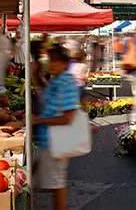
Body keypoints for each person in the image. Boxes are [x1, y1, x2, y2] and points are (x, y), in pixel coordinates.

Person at [33, 45, 80, 210]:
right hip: (47, 140)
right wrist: (35, 75)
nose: (50, 64)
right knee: (45, 179)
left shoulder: (67, 82)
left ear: (64, 63)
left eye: (54, 60)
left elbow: (68, 117)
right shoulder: (57, 80)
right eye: (50, 60)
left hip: (55, 141)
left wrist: (39, 120)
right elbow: (48, 95)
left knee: (56, 183)